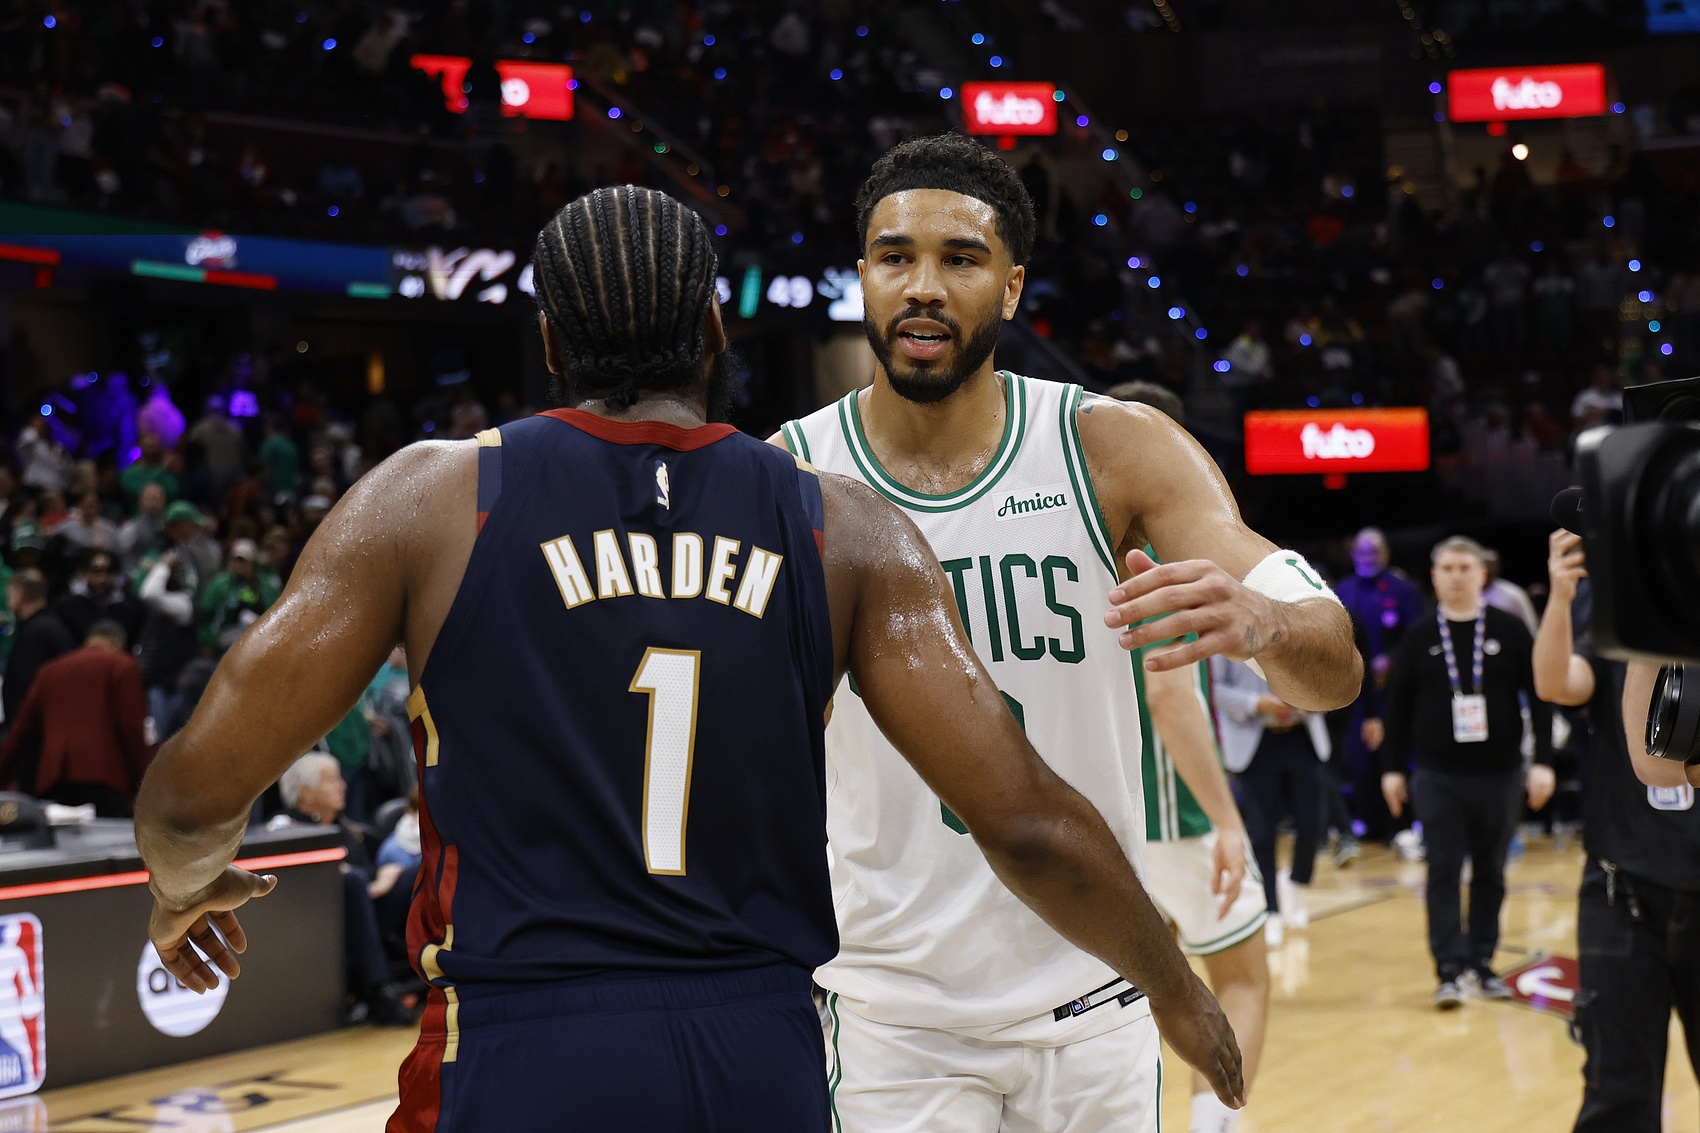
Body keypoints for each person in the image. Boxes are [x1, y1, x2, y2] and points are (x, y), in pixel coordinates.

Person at [135, 186, 1244, 1133]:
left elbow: (191, 794)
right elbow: (1026, 820)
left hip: (517, 1044)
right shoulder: (845, 529)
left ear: (551, 343)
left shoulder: (432, 499)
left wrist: (186, 886)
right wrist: (1174, 987)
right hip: (758, 1053)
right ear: (715, 328)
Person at [775, 136, 1357, 1132]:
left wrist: (1262, 621)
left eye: (960, 258)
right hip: (893, 1017)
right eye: (893, 257)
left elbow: (1331, 665)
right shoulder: (789, 476)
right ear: (861, 275)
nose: (922, 285)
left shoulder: (1114, 449)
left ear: (1011, 288)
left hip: (1096, 1000)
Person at [1110, 384, 1270, 1133]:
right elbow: (1170, 699)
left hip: (1088, 813)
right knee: (1241, 978)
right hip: (1169, 811)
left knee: (1115, 998)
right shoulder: (1157, 555)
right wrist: (1229, 820)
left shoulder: (1055, 542)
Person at [1533, 530, 1700, 1133]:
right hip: (1623, 885)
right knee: (1618, 1090)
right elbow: (1556, 684)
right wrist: (1560, 597)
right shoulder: (1626, 625)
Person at [1380, 535, 1557, 1008]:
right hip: (1437, 776)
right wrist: (1392, 770)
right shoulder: (1418, 636)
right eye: (1448, 568)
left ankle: (1482, 962)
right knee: (1442, 870)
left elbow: (1540, 698)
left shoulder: (1510, 629)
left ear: (1483, 574)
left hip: (1501, 774)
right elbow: (1397, 708)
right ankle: (1449, 971)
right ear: (1434, 577)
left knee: (1490, 872)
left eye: (1466, 568)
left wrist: (1543, 762)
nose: (1457, 576)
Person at [272, 751, 412, 1024]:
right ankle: (378, 991)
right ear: (304, 792)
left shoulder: (344, 827)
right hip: (316, 924)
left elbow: (368, 872)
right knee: (354, 883)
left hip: (361, 915)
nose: (343, 785)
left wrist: (380, 879)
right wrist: (371, 886)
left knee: (413, 875)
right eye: (332, 780)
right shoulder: (285, 828)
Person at [1211, 656, 1331, 948]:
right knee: (1262, 832)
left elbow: (1324, 672)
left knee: (1312, 822)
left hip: (1301, 733)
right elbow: (1215, 689)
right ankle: (1271, 909)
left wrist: (1301, 698)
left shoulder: (1299, 623)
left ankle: (1296, 881)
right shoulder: (1224, 633)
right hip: (1255, 739)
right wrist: (1257, 703)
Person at [0, 620, 149, 816]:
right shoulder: (123, 666)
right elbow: (133, 730)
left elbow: (20, 730)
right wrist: (147, 782)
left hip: (54, 778)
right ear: (116, 642)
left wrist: (2, 774)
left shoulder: (49, 670)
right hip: (104, 778)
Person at [1334, 527, 1426, 842]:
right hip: (1356, 691)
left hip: (1395, 688)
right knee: (1359, 754)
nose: (1367, 557)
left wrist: (1393, 660)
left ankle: (1402, 822)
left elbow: (1417, 634)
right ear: (1352, 555)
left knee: (1397, 749)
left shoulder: (1404, 590)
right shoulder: (1343, 590)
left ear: (1385, 554)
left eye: (1373, 551)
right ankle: (1367, 820)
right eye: (1361, 552)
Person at [1, 569, 74, 727]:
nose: (8, 603)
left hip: (34, 728)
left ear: (20, 595)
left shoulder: (35, 633)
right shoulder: (53, 625)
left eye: (10, 596)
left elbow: (25, 686)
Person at [197, 539, 280, 654]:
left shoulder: (264, 585)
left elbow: (272, 609)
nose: (239, 564)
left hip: (256, 637)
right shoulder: (221, 583)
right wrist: (209, 640)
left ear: (253, 562)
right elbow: (206, 611)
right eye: (236, 560)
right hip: (224, 637)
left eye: (243, 561)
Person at [54, 548, 144, 648]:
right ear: (85, 573)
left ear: (116, 574)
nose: (102, 579)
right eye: (96, 571)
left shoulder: (131, 608)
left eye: (109, 571)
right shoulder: (67, 607)